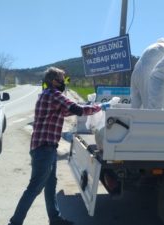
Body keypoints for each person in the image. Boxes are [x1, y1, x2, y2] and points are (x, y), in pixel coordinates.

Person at [8, 67, 108, 225]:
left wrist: (89, 106)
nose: (64, 82)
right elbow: (77, 110)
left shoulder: (47, 96)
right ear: (54, 81)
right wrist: (100, 107)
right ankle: (15, 222)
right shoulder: (53, 94)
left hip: (47, 148)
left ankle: (55, 219)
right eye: (62, 79)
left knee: (50, 184)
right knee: (35, 187)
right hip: (44, 148)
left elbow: (66, 112)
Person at [130, 36, 164, 108]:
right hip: (146, 74)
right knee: (150, 108)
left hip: (135, 74)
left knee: (135, 105)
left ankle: (131, 118)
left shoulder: (153, 46)